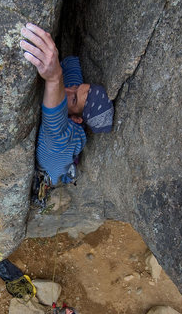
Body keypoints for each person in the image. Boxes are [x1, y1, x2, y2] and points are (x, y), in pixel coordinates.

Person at [20, 23, 113, 191]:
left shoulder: (63, 139)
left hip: (50, 176)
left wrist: (54, 78)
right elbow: (71, 66)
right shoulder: (75, 97)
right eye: (78, 87)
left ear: (77, 119)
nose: (69, 90)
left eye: (75, 98)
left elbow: (54, 118)